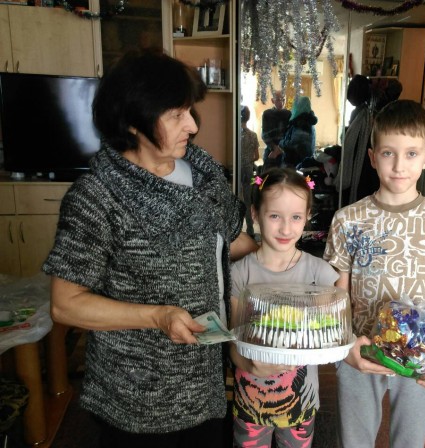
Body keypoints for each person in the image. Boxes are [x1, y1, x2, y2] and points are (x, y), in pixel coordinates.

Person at [42, 50, 257, 448]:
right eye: (176, 115)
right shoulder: (98, 196)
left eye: (189, 110)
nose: (192, 125)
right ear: (132, 121)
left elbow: (231, 243)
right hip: (137, 396)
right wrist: (158, 316)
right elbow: (66, 305)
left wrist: (285, 254)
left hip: (206, 379)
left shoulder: (204, 173)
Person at [324, 100, 425, 448]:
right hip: (361, 349)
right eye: (388, 153)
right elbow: (338, 292)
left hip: (422, 354)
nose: (398, 165)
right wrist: (344, 346)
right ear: (373, 157)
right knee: (354, 441)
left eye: (411, 154)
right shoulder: (348, 219)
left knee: (410, 441)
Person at [229, 167, 339, 448]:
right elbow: (233, 343)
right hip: (250, 399)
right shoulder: (240, 274)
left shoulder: (321, 275)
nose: (286, 228)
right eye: (275, 216)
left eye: (296, 217)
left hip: (301, 399)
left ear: (308, 216)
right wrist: (249, 364)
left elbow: (329, 335)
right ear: (255, 214)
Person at [279, 96, 318, 168]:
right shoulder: (309, 121)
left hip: (295, 163)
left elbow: (293, 144)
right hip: (304, 162)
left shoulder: (301, 123)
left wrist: (281, 142)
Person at [241, 105, 260, 236]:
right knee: (248, 200)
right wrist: (248, 160)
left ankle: (236, 231)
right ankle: (250, 230)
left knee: (236, 198)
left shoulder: (235, 135)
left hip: (237, 170)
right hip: (248, 169)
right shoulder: (253, 135)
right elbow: (257, 156)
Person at [261, 90, 291, 171]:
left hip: (285, 151)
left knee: (283, 176)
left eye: (283, 99)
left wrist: (280, 149)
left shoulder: (289, 114)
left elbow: (290, 134)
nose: (281, 102)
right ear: (272, 100)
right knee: (267, 175)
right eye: (278, 100)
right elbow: (264, 134)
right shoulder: (267, 114)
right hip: (271, 150)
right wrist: (274, 148)